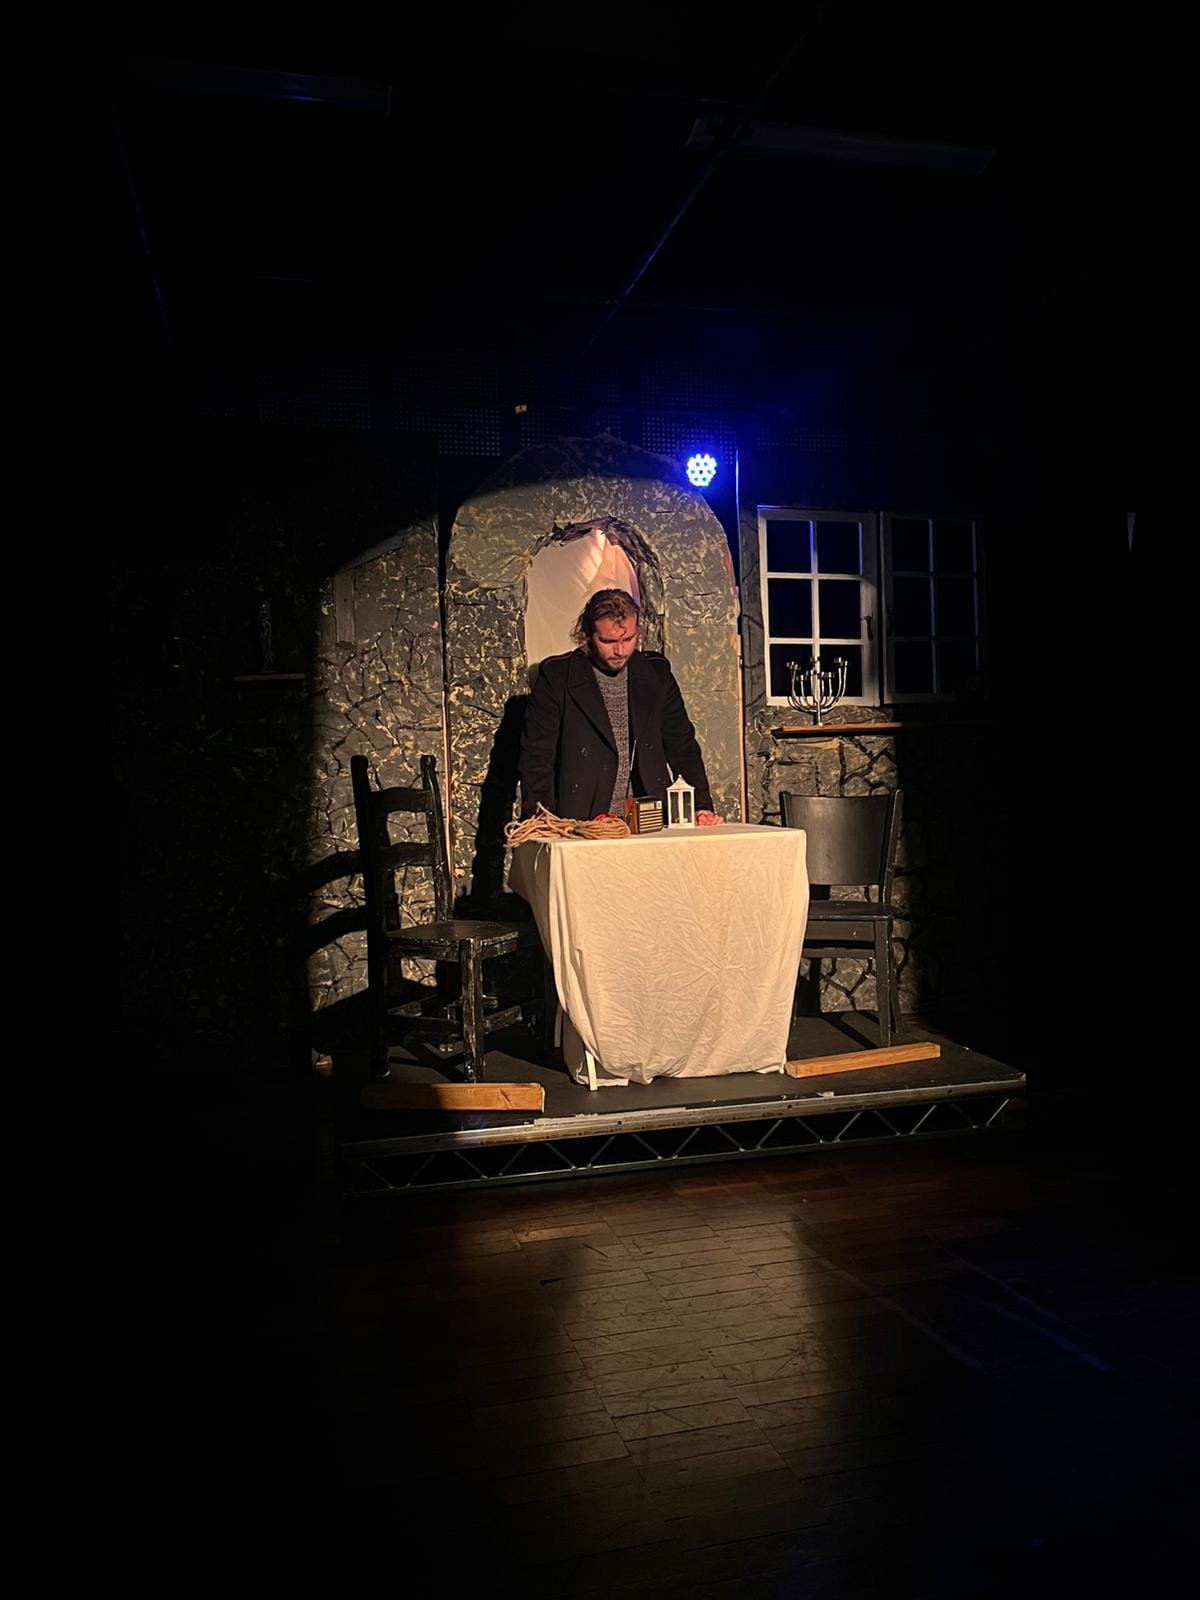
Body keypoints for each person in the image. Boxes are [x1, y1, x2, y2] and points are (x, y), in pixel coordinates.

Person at [519, 588, 722, 824]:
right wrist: (541, 815)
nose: (620, 650)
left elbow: (682, 745)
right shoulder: (558, 677)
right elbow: (537, 755)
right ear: (588, 635)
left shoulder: (656, 673)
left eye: (628, 639)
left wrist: (700, 806)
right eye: (608, 641)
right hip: (584, 821)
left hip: (651, 818)